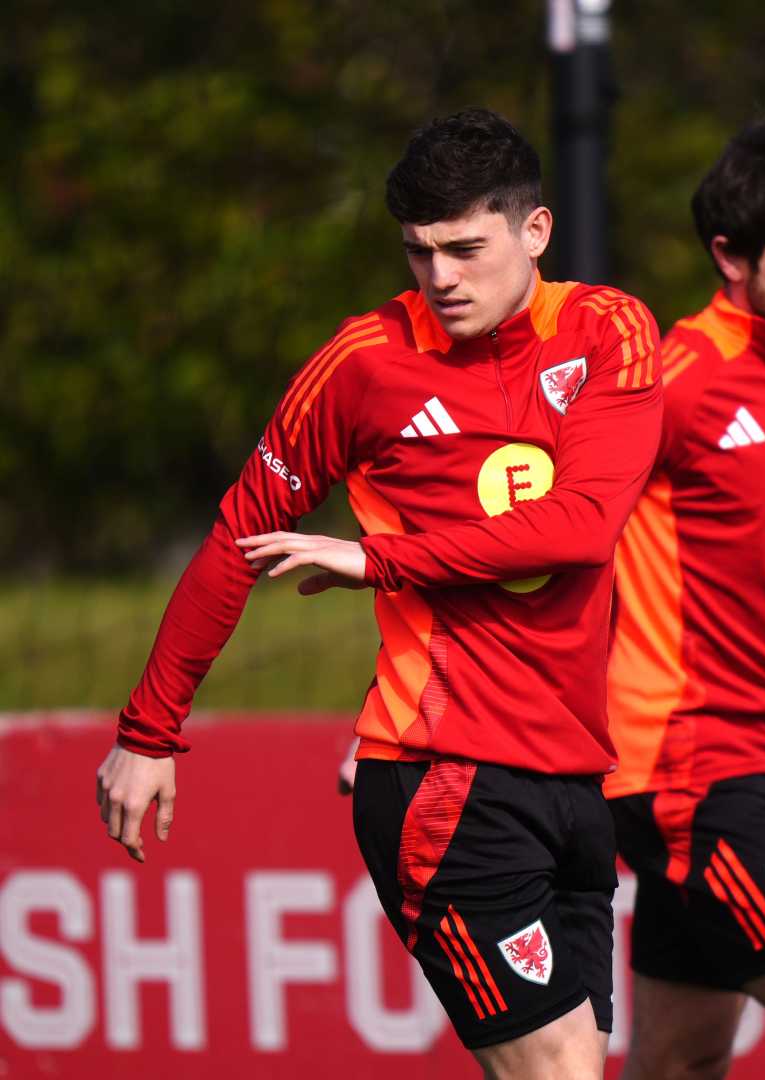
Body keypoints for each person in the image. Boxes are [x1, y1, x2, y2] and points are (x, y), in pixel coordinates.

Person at [336, 108, 765, 1077]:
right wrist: (404, 708)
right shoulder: (676, 377)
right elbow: (545, 530)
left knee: (678, 1066)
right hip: (679, 771)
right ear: (732, 260)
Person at [95, 108, 663, 1079]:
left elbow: (581, 526)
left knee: (571, 1067)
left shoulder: (610, 330)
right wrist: (149, 732)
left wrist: (384, 556)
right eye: (419, 252)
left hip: (575, 775)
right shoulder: (363, 365)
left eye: (465, 249)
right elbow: (239, 536)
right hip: (443, 774)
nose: (441, 277)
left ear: (536, 232)